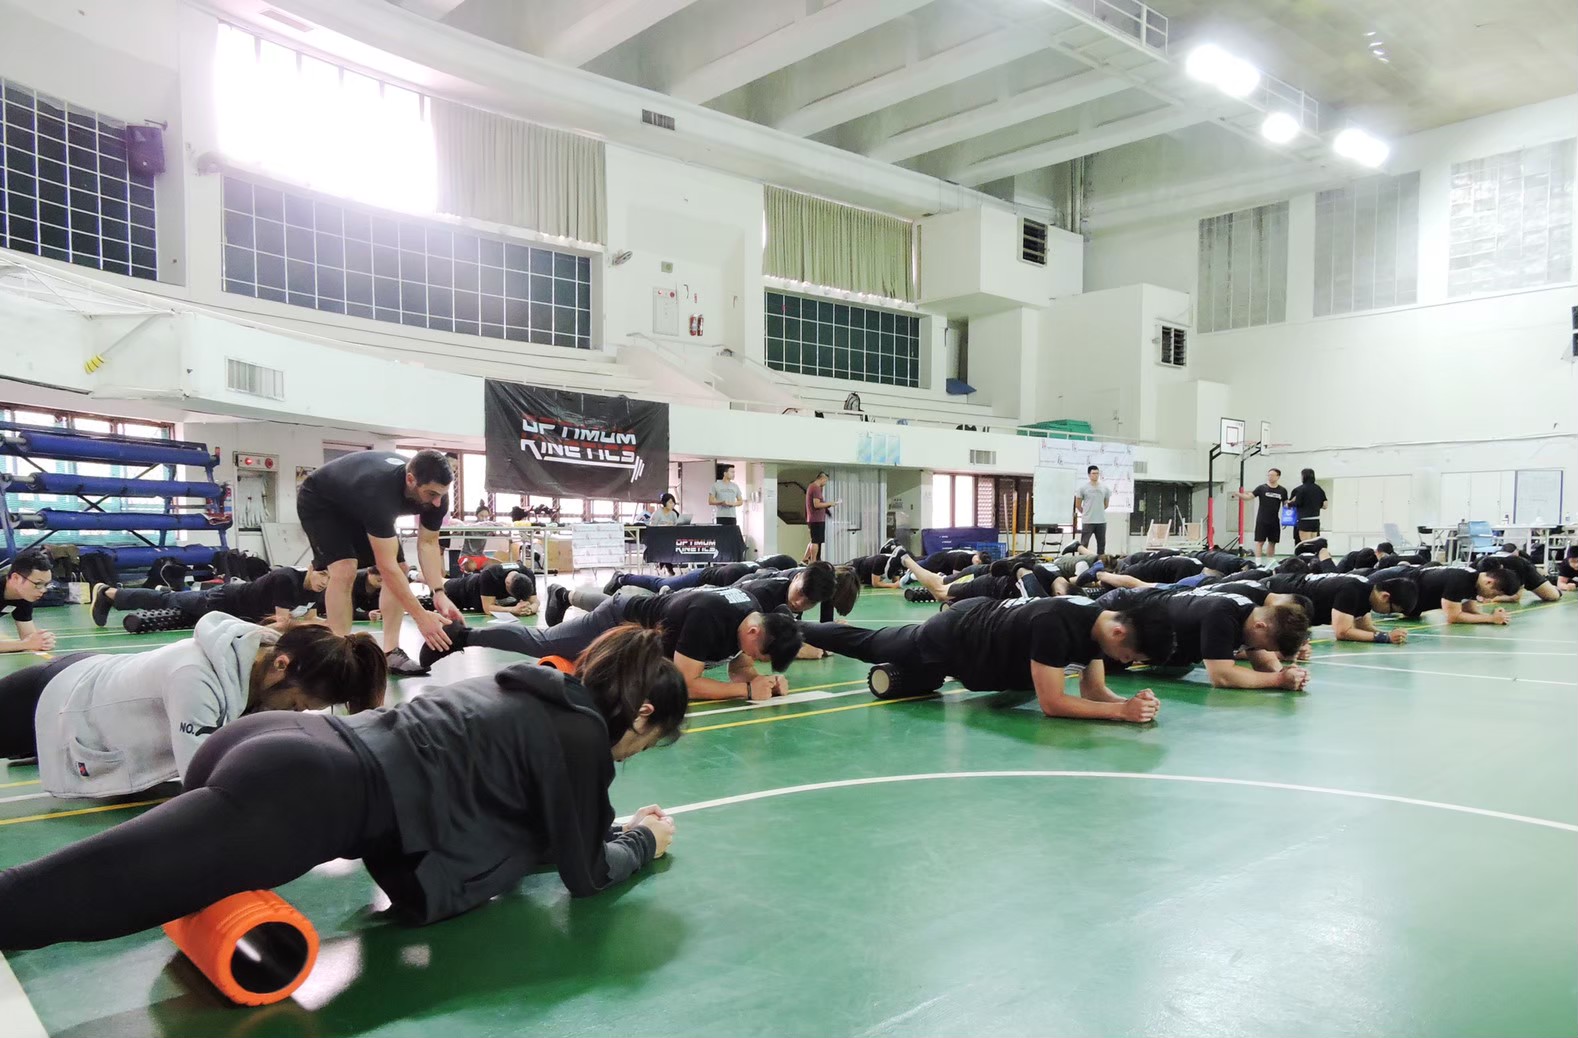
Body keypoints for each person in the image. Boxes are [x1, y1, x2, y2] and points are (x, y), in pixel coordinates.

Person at [0, 625, 682, 950]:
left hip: (282, 747)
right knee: (83, 894)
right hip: (307, 792)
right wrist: (642, 843)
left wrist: (611, 829)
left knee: (102, 881)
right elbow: (587, 874)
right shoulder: (582, 735)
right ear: (642, 713)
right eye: (647, 741)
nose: (634, 753)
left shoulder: (533, 688)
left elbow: (536, 824)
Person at [0, 614, 385, 798]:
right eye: (298, 704)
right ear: (281, 666)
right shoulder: (195, 681)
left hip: (99, 689)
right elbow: (202, 781)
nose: (296, 714)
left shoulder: (263, 662)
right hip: (59, 696)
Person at [799, 594, 1173, 723]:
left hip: (976, 634)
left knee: (919, 678)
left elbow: (1094, 692)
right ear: (1119, 632)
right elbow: (1053, 703)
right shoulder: (1057, 624)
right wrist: (1121, 713)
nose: (1127, 662)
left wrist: (1129, 703)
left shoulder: (1097, 627)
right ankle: (792, 627)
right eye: (1130, 656)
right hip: (953, 637)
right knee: (870, 644)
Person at [423, 585, 803, 702]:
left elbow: (739, 664)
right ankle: (463, 636)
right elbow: (686, 683)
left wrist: (761, 680)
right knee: (544, 644)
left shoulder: (752, 615)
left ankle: (566, 594)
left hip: (648, 623)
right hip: (619, 619)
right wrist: (744, 691)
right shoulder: (709, 616)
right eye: (761, 655)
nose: (755, 659)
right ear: (755, 632)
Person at [296, 448, 463, 675]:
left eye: (441, 494)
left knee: (402, 568)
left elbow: (428, 543)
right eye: (431, 494)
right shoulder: (379, 491)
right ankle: (340, 654)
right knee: (345, 568)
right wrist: (421, 617)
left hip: (359, 504)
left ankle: (391, 652)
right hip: (322, 502)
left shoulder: (437, 496)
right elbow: (386, 567)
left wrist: (439, 592)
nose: (437, 502)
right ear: (410, 480)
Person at [1097, 586, 1312, 690]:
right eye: (1266, 645)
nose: (1261, 649)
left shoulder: (1249, 612)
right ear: (1260, 626)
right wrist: (1279, 680)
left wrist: (1285, 673)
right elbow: (1222, 676)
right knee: (1084, 664)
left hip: (1134, 625)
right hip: (1117, 619)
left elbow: (1263, 660)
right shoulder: (1222, 615)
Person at [90, 565, 329, 631]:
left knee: (176, 608)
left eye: (330, 577)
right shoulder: (286, 579)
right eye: (322, 574)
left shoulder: (318, 589)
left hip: (237, 617)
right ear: (310, 568)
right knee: (168, 600)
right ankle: (109, 594)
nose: (324, 581)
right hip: (221, 602)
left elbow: (310, 618)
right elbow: (282, 623)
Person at [1264, 571, 1418, 644]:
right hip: (1272, 591)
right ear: (1385, 596)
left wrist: (1390, 634)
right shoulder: (1352, 590)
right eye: (1391, 610)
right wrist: (1385, 638)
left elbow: (1364, 627)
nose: (1388, 613)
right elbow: (1342, 632)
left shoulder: (1366, 591)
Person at [1369, 562, 1518, 624]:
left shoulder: (1474, 581)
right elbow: (1453, 616)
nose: (1492, 598)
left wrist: (1493, 615)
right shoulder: (1461, 580)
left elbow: (1469, 610)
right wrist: (1491, 619)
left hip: (1406, 591)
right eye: (1494, 594)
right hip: (1391, 581)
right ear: (1489, 582)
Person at [0, 550, 56, 655]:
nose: (43, 590)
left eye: (46, 585)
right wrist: (25, 644)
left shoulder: (23, 597)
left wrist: (42, 641)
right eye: (38, 584)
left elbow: (28, 636)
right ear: (16, 578)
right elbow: (27, 643)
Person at [443, 562, 538, 617]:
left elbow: (535, 602)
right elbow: (488, 609)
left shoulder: (528, 574)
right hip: (466, 590)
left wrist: (529, 609)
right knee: (443, 588)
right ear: (507, 583)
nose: (520, 601)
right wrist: (513, 609)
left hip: (482, 592)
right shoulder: (490, 575)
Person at [1233, 469, 1290, 560]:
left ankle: (1270, 562)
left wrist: (1290, 507)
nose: (1270, 477)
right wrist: (1239, 495)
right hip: (1262, 519)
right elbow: (1249, 497)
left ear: (1278, 477)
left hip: (1274, 520)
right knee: (1260, 542)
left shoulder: (1282, 490)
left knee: (1272, 542)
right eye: (1269, 475)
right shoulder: (1261, 488)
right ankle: (1258, 562)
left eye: (1272, 475)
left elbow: (1285, 504)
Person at [1477, 550, 1561, 603]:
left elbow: (1515, 597)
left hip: (1526, 571)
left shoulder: (1516, 565)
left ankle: (1551, 586)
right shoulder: (1477, 566)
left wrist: (1492, 598)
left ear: (1501, 568)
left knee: (1553, 596)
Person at [1074, 465, 1112, 554]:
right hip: (1088, 521)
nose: (1096, 475)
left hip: (1101, 521)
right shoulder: (1083, 488)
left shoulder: (1105, 488)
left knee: (1101, 544)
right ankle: (1082, 560)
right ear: (1089, 475)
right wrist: (1086, 513)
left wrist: (1098, 510)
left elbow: (1106, 504)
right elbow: (1078, 505)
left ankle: (1101, 561)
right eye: (1093, 473)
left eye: (1097, 473)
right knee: (1084, 544)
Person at [803, 472, 838, 563]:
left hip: (814, 518)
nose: (825, 483)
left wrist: (827, 509)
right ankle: (814, 560)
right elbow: (817, 504)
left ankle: (805, 558)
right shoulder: (815, 488)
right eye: (826, 481)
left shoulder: (812, 487)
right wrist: (830, 503)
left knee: (814, 539)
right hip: (816, 519)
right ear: (822, 478)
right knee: (816, 541)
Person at [1287, 469, 1328, 543]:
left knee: (1306, 543)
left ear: (1303, 476)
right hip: (1315, 520)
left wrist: (1289, 503)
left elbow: (1297, 503)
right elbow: (1325, 505)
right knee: (1313, 543)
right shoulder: (1318, 489)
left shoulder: (1300, 489)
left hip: (1304, 520)